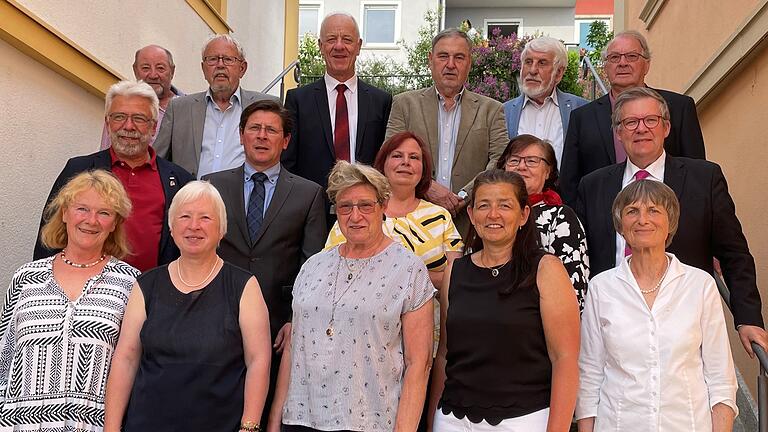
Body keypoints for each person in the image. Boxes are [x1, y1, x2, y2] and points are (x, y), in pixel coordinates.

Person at [575, 86, 766, 355]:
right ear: (618, 133)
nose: (641, 129)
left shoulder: (704, 179)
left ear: (666, 127)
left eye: (650, 120)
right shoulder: (592, 185)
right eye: (631, 122)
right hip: (611, 326)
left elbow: (734, 253)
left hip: (683, 328)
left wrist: (747, 319)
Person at [268, 161, 434, 432]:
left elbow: (419, 364)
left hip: (370, 421)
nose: (355, 216)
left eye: (365, 205)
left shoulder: (408, 270)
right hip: (300, 419)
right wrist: (275, 420)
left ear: (383, 207)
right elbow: (294, 348)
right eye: (345, 206)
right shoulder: (313, 267)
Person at [104, 181, 272, 432]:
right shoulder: (146, 284)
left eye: (205, 217)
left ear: (221, 229)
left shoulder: (244, 286)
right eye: (184, 216)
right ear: (171, 227)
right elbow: (126, 359)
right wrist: (111, 428)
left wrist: (249, 426)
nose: (194, 226)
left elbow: (258, 361)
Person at [203, 99, 327, 426]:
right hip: (216, 316)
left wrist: (293, 319)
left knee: (268, 411)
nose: (262, 136)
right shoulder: (212, 185)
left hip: (277, 326)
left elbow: (312, 265)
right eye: (254, 129)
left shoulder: (309, 193)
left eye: (271, 130)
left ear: (285, 141)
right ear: (241, 135)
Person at [576, 180, 737, 431]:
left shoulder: (700, 285)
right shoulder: (600, 288)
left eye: (653, 210)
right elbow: (589, 375)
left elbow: (721, 378)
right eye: (632, 211)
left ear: (670, 222)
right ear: (620, 225)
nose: (643, 220)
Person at [429, 169, 579, 431]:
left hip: (524, 420)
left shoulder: (546, 270)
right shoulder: (455, 271)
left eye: (505, 205)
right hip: (453, 420)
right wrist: (432, 422)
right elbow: (445, 354)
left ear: (523, 215)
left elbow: (565, 359)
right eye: (484, 205)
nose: (493, 214)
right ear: (472, 215)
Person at [0, 170, 139, 430]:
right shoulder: (26, 277)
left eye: (104, 213)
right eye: (82, 209)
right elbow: (4, 356)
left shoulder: (130, 283)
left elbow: (133, 364)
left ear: (115, 223)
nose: (91, 220)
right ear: (64, 213)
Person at [34, 80, 194, 271]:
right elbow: (49, 235)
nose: (128, 126)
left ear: (153, 127)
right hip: (85, 292)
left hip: (152, 294)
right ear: (108, 123)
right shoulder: (79, 170)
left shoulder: (179, 180)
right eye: (119, 117)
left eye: (139, 118)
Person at [560, 30, 706, 204]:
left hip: (669, 216)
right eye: (614, 57)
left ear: (647, 65)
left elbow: (696, 175)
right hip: (603, 222)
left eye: (631, 56)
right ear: (606, 67)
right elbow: (570, 182)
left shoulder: (679, 108)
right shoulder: (582, 117)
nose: (622, 63)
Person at [385, 28, 508, 231]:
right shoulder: (404, 104)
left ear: (469, 63)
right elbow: (391, 158)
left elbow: (500, 160)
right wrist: (427, 187)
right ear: (430, 60)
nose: (450, 64)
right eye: (443, 56)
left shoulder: (492, 110)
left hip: (471, 222)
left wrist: (463, 196)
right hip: (413, 221)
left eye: (459, 57)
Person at [282, 13, 392, 225]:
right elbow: (288, 162)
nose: (339, 46)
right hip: (311, 215)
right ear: (320, 46)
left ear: (358, 46)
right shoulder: (298, 99)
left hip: (366, 214)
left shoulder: (381, 101)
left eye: (347, 40)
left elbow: (384, 159)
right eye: (331, 39)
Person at [154, 34, 278, 178]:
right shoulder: (179, 108)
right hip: (190, 196)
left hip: (244, 198)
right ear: (203, 68)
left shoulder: (267, 106)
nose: (220, 65)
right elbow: (158, 160)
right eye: (212, 59)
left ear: (242, 68)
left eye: (228, 59)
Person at [497, 134, 589, 309]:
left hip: (540, 321)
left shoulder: (560, 216)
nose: (522, 166)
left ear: (548, 171)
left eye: (531, 161)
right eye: (514, 160)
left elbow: (575, 286)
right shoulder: (490, 214)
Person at [503, 37, 588, 167]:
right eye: (528, 62)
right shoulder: (504, 112)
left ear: (559, 73)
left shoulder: (581, 109)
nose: (532, 70)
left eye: (542, 63)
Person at [99, 44, 184, 149]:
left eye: (160, 68)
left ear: (172, 71)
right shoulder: (120, 105)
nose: (153, 75)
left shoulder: (188, 110)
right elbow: (106, 152)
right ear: (135, 70)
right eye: (145, 68)